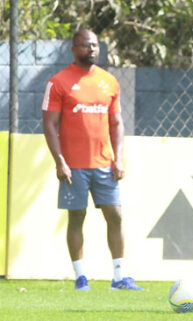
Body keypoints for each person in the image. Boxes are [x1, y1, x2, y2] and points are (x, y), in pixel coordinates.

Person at [42, 29, 142, 291]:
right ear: (74, 49)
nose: (92, 50)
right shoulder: (58, 82)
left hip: (104, 164)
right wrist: (59, 161)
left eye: (95, 45)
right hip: (73, 166)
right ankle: (80, 277)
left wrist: (118, 159)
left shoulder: (109, 81)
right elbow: (49, 125)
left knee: (115, 215)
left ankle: (119, 277)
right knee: (77, 217)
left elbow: (116, 123)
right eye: (86, 45)